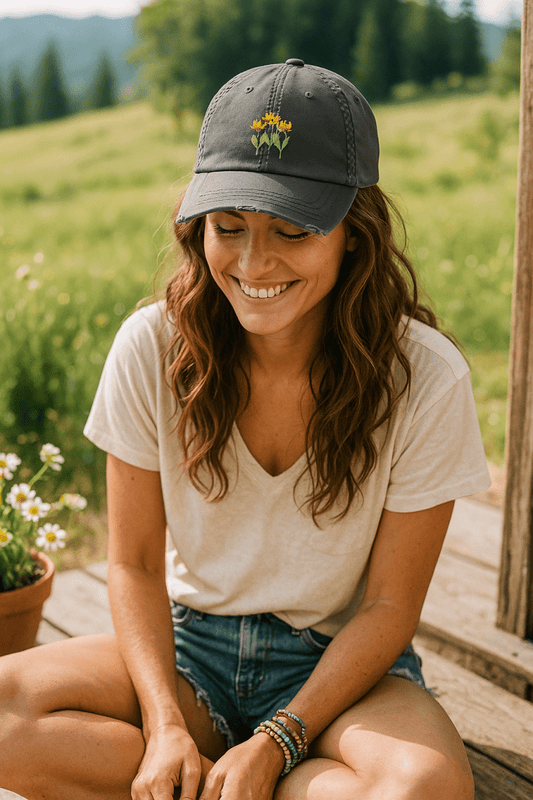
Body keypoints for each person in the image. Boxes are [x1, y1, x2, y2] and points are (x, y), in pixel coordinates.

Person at [0, 59, 490, 800]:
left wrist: (279, 738)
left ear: (352, 232)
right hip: (191, 649)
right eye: (227, 228)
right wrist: (164, 725)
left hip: (343, 671)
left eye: (292, 230)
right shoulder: (151, 345)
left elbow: (390, 605)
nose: (254, 262)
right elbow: (130, 562)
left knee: (423, 786)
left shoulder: (425, 375)